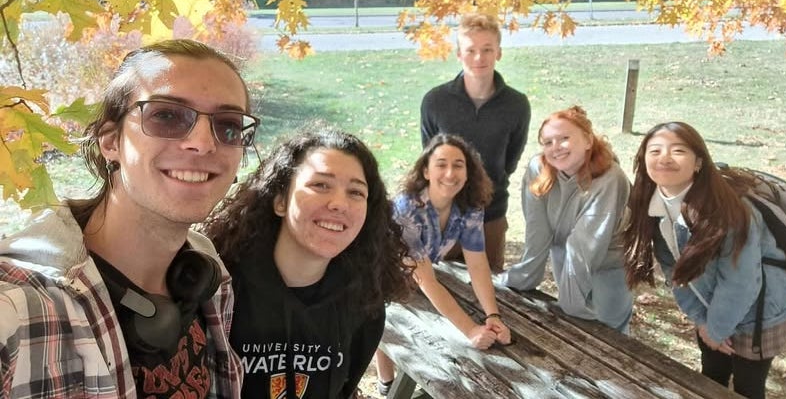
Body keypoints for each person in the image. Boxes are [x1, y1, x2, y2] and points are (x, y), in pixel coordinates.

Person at [0, 39, 258, 397]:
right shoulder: (17, 309)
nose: (203, 142)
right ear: (110, 142)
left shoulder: (207, 273)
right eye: (166, 115)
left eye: (228, 124)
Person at [200, 126, 413, 399]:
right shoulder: (219, 289)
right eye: (320, 185)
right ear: (280, 200)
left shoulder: (363, 302)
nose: (339, 203)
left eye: (356, 192)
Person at [623, 122, 786, 399]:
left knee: (747, 388)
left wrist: (716, 330)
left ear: (698, 163)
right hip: (711, 309)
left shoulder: (730, 210)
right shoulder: (654, 204)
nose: (664, 158)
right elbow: (675, 271)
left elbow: (741, 281)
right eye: (654, 150)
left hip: (760, 313)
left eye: (678, 150)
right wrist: (702, 321)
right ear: (643, 160)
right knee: (711, 378)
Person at [374, 134, 512, 395]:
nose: (450, 172)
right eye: (441, 164)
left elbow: (478, 264)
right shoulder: (407, 209)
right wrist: (471, 330)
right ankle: (387, 384)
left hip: (417, 276)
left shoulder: (469, 206)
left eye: (458, 164)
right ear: (426, 171)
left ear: (468, 172)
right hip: (381, 275)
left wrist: (493, 316)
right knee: (384, 318)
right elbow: (426, 280)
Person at [500, 106, 633, 333]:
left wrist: (570, 305)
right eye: (548, 142)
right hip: (566, 257)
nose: (555, 148)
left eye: (564, 138)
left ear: (588, 140)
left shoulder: (610, 178)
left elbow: (584, 245)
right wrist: (523, 277)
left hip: (609, 267)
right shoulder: (537, 169)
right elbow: (537, 230)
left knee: (608, 334)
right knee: (574, 329)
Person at [420, 13, 531, 273]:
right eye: (470, 50)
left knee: (489, 288)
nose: (479, 58)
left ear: (499, 53)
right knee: (443, 285)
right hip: (444, 215)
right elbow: (430, 160)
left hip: (490, 215)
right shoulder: (435, 102)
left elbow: (510, 160)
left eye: (487, 49)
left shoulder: (516, 105)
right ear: (459, 54)